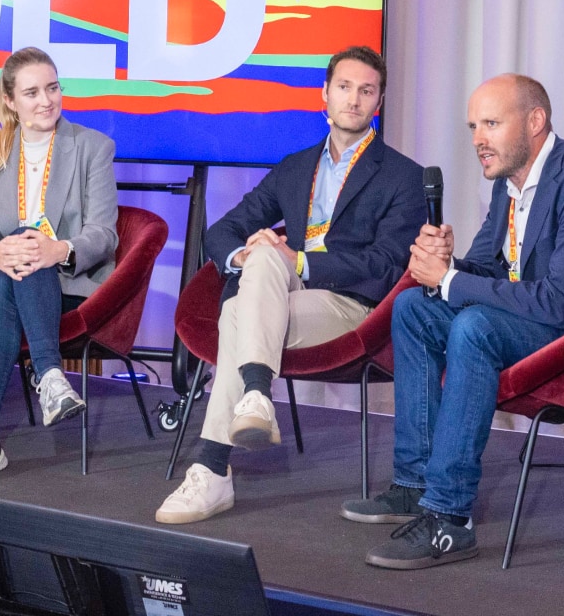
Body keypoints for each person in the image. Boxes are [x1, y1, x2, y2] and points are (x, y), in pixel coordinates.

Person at [340, 74, 564, 570]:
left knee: (475, 327)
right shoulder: (511, 185)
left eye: (490, 123)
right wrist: (448, 264)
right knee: (414, 308)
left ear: (535, 122)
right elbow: (490, 271)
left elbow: (558, 304)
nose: (477, 140)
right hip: (552, 324)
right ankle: (416, 482)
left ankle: (449, 518)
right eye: (473, 126)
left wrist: (448, 280)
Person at [155, 46, 425, 524]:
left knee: (242, 308)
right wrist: (244, 253)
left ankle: (214, 466)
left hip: (351, 309)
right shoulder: (296, 166)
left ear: (379, 101)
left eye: (366, 91)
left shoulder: (403, 176)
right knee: (257, 258)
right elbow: (222, 229)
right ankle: (254, 399)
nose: (354, 99)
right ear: (324, 93)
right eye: (344, 87)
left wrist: (297, 259)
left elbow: (385, 266)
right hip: (283, 302)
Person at [0, 46, 118, 483]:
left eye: (53, 88)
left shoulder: (93, 147)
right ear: (10, 102)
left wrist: (59, 249)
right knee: (9, 265)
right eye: (33, 92)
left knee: (26, 255)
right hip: (6, 274)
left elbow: (104, 233)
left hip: (68, 283)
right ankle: (51, 377)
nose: (46, 101)